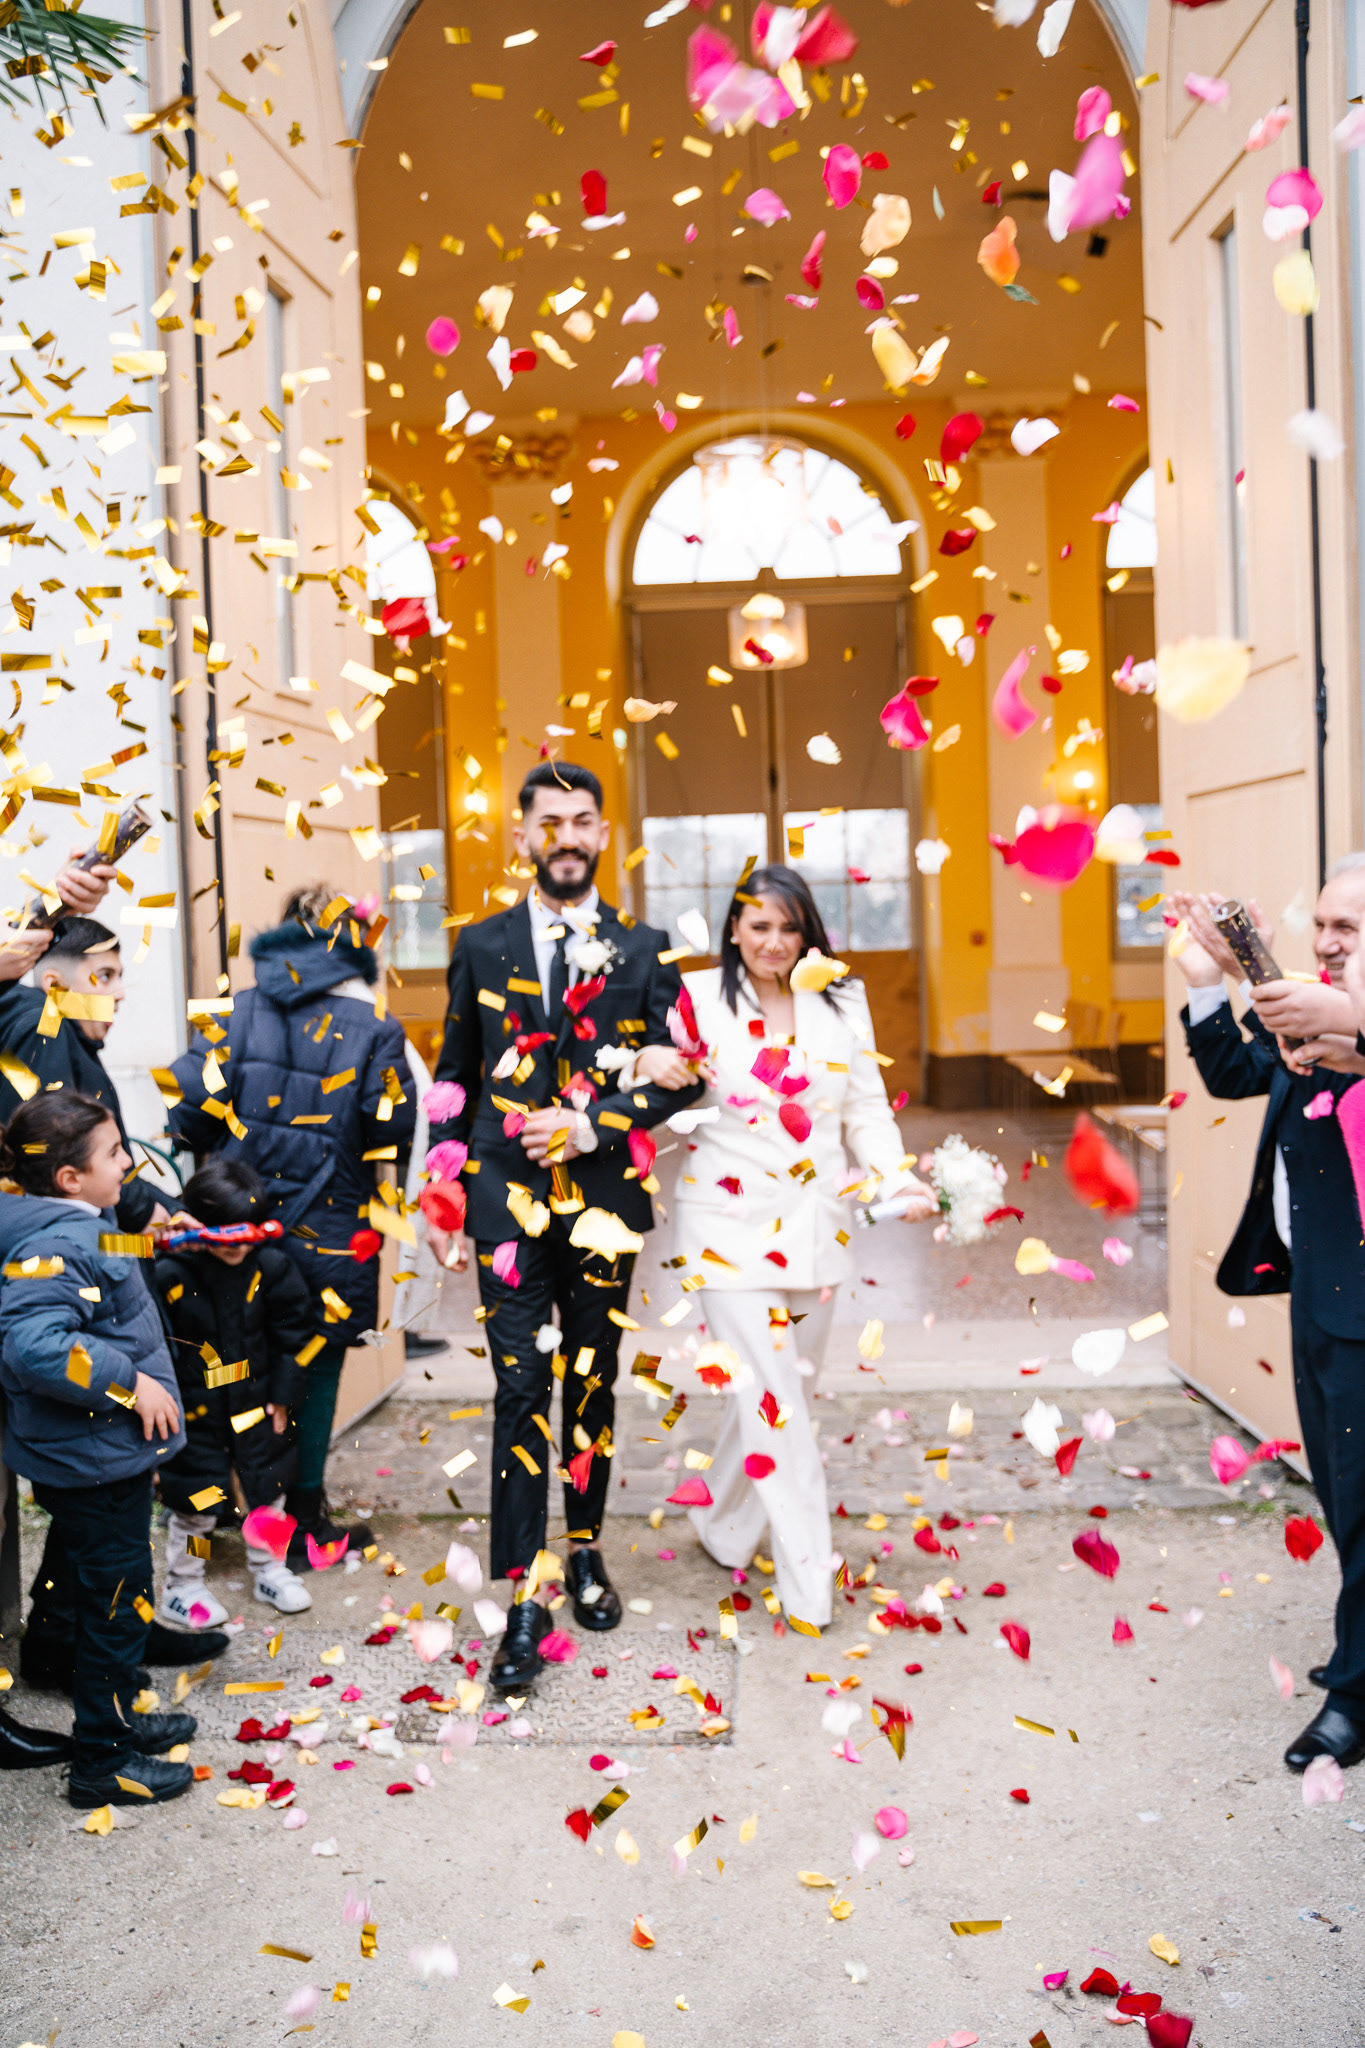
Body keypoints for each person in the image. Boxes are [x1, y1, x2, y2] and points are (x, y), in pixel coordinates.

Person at [424, 760, 704, 1692]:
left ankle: (584, 1549)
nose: (569, 838)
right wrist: (442, 1193)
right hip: (503, 1204)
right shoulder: (479, 944)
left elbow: (687, 1075)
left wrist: (595, 1125)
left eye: (584, 821)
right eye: (551, 823)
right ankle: (524, 1591)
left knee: (590, 1382)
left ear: (603, 834)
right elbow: (454, 1078)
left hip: (603, 1204)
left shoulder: (645, 948)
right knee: (518, 1390)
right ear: (522, 837)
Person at [635, 865, 936, 1627]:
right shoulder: (695, 996)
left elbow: (865, 1107)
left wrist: (895, 1178)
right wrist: (641, 1061)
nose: (773, 942)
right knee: (778, 1410)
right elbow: (638, 1073)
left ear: (808, 933)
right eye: (759, 926)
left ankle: (721, 1523)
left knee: (777, 1394)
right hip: (724, 1231)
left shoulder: (842, 998)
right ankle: (809, 1585)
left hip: (816, 1228)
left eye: (788, 927)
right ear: (734, 928)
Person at [1170, 861, 1365, 1774]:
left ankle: (1353, 1697)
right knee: (1342, 1496)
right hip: (1317, 1296)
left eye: (1347, 927)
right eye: (1321, 923)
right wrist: (1209, 980)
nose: (1325, 941)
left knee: (1362, 1506)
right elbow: (1232, 1072)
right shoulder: (1311, 1007)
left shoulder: (1340, 1018)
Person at [11, 915, 234, 1692]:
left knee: (94, 1528)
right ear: (54, 983)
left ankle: (79, 1639)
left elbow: (94, 1197)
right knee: (100, 1532)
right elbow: (70, 1187)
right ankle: (97, 1680)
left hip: (97, 1401)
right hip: (89, 1396)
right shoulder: (40, 1033)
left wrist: (151, 1218)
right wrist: (129, 1380)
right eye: (101, 977)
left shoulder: (69, 1043)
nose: (119, 992)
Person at [167, 886, 416, 1568]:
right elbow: (389, 1132)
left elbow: (185, 1117)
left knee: (231, 1366)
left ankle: (222, 1510)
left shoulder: (229, 1013)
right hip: (328, 1233)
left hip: (234, 1238)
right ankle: (303, 1522)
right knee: (314, 1370)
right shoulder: (374, 1029)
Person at [0, 1094, 198, 1806]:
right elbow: (35, 1346)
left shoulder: (75, 1223)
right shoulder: (56, 1242)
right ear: (69, 1178)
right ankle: (101, 1761)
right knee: (116, 1604)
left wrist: (153, 1243)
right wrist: (130, 1383)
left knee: (103, 1590)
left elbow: (95, 1284)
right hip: (93, 1458)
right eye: (114, 1153)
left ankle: (115, 1718)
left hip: (95, 1456)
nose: (127, 1164)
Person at [153, 1159, 318, 1621]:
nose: (238, 1246)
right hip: (194, 1412)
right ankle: (183, 1583)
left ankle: (269, 1568)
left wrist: (283, 1395)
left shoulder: (273, 1268)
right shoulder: (171, 1274)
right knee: (198, 1504)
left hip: (259, 1404)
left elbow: (294, 1337)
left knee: (269, 1492)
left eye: (247, 1232)